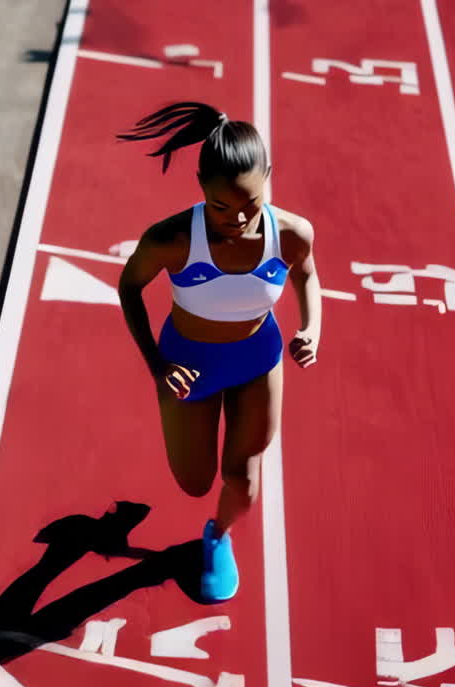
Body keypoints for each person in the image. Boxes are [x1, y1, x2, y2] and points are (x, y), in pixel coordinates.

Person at [116, 102, 321, 603]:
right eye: (221, 207)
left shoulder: (292, 233)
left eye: (250, 204)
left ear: (269, 177)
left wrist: (312, 328)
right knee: (193, 480)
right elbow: (129, 289)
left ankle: (217, 536)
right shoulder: (172, 239)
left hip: (257, 361)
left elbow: (307, 275)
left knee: (241, 482)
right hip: (187, 366)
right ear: (201, 188)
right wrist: (157, 366)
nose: (238, 219)